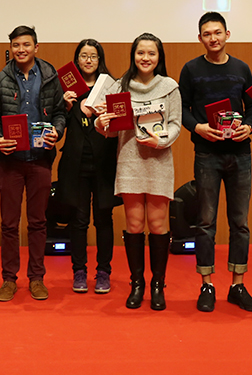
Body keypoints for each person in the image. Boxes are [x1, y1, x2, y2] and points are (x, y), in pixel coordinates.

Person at [178, 12, 252, 312]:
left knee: (240, 223)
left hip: (240, 154)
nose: (213, 38)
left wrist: (249, 127)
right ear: (200, 38)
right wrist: (197, 127)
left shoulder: (242, 68)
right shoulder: (191, 69)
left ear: (227, 34)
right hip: (206, 154)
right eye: (207, 34)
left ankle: (238, 285)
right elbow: (181, 108)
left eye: (217, 32)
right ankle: (207, 285)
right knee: (205, 223)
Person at [96, 33, 181, 311]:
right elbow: (110, 129)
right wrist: (101, 122)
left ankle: (157, 284)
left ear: (159, 57)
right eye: (140, 53)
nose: (146, 58)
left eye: (151, 53)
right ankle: (137, 284)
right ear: (133, 56)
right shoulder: (119, 86)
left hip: (159, 161)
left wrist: (162, 141)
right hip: (130, 162)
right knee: (133, 225)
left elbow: (176, 124)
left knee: (157, 224)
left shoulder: (170, 87)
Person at [0, 25, 65, 302]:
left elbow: (59, 113)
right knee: (9, 224)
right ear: (11, 48)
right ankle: (9, 279)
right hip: (10, 161)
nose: (21, 50)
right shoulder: (1, 79)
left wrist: (57, 131)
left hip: (40, 159)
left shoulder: (50, 76)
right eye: (16, 45)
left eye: (26, 45)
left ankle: (36, 278)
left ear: (36, 47)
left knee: (38, 222)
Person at [55, 39, 118, 294]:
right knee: (78, 220)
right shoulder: (67, 89)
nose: (88, 60)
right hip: (76, 163)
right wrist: (65, 105)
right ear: (77, 60)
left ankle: (103, 272)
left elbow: (119, 124)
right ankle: (79, 271)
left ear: (100, 59)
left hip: (104, 162)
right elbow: (58, 122)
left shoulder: (111, 87)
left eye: (93, 56)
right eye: (84, 56)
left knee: (104, 219)